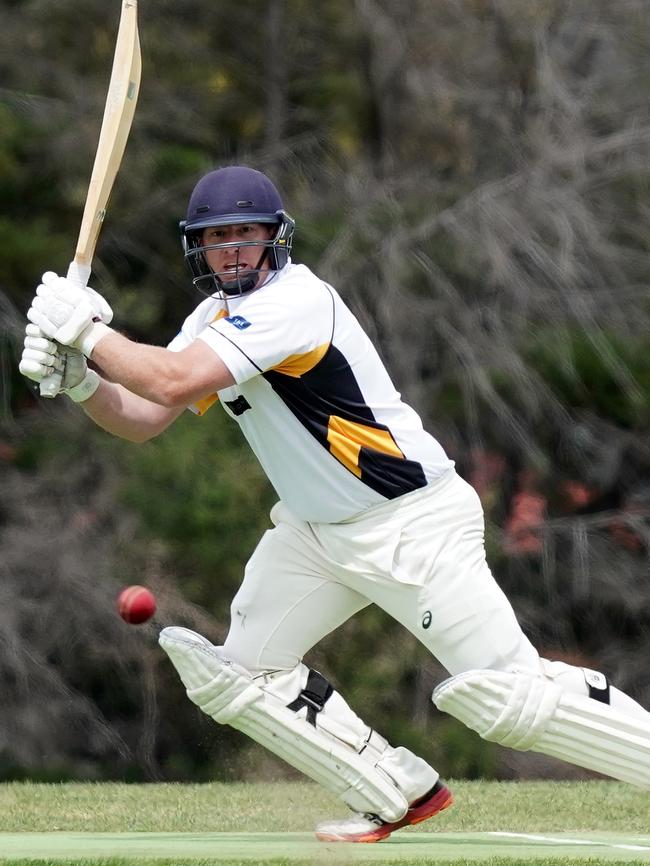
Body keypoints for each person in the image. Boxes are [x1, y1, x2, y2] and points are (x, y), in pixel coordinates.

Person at [20, 166, 650, 842]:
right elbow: (145, 415)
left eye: (244, 234)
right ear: (196, 249)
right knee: (238, 677)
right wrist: (85, 381)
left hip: (412, 523)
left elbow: (171, 382)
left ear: (274, 239)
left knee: (505, 697)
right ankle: (394, 790)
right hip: (317, 535)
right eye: (215, 238)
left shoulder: (294, 302)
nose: (230, 250)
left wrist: (87, 334)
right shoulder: (212, 317)